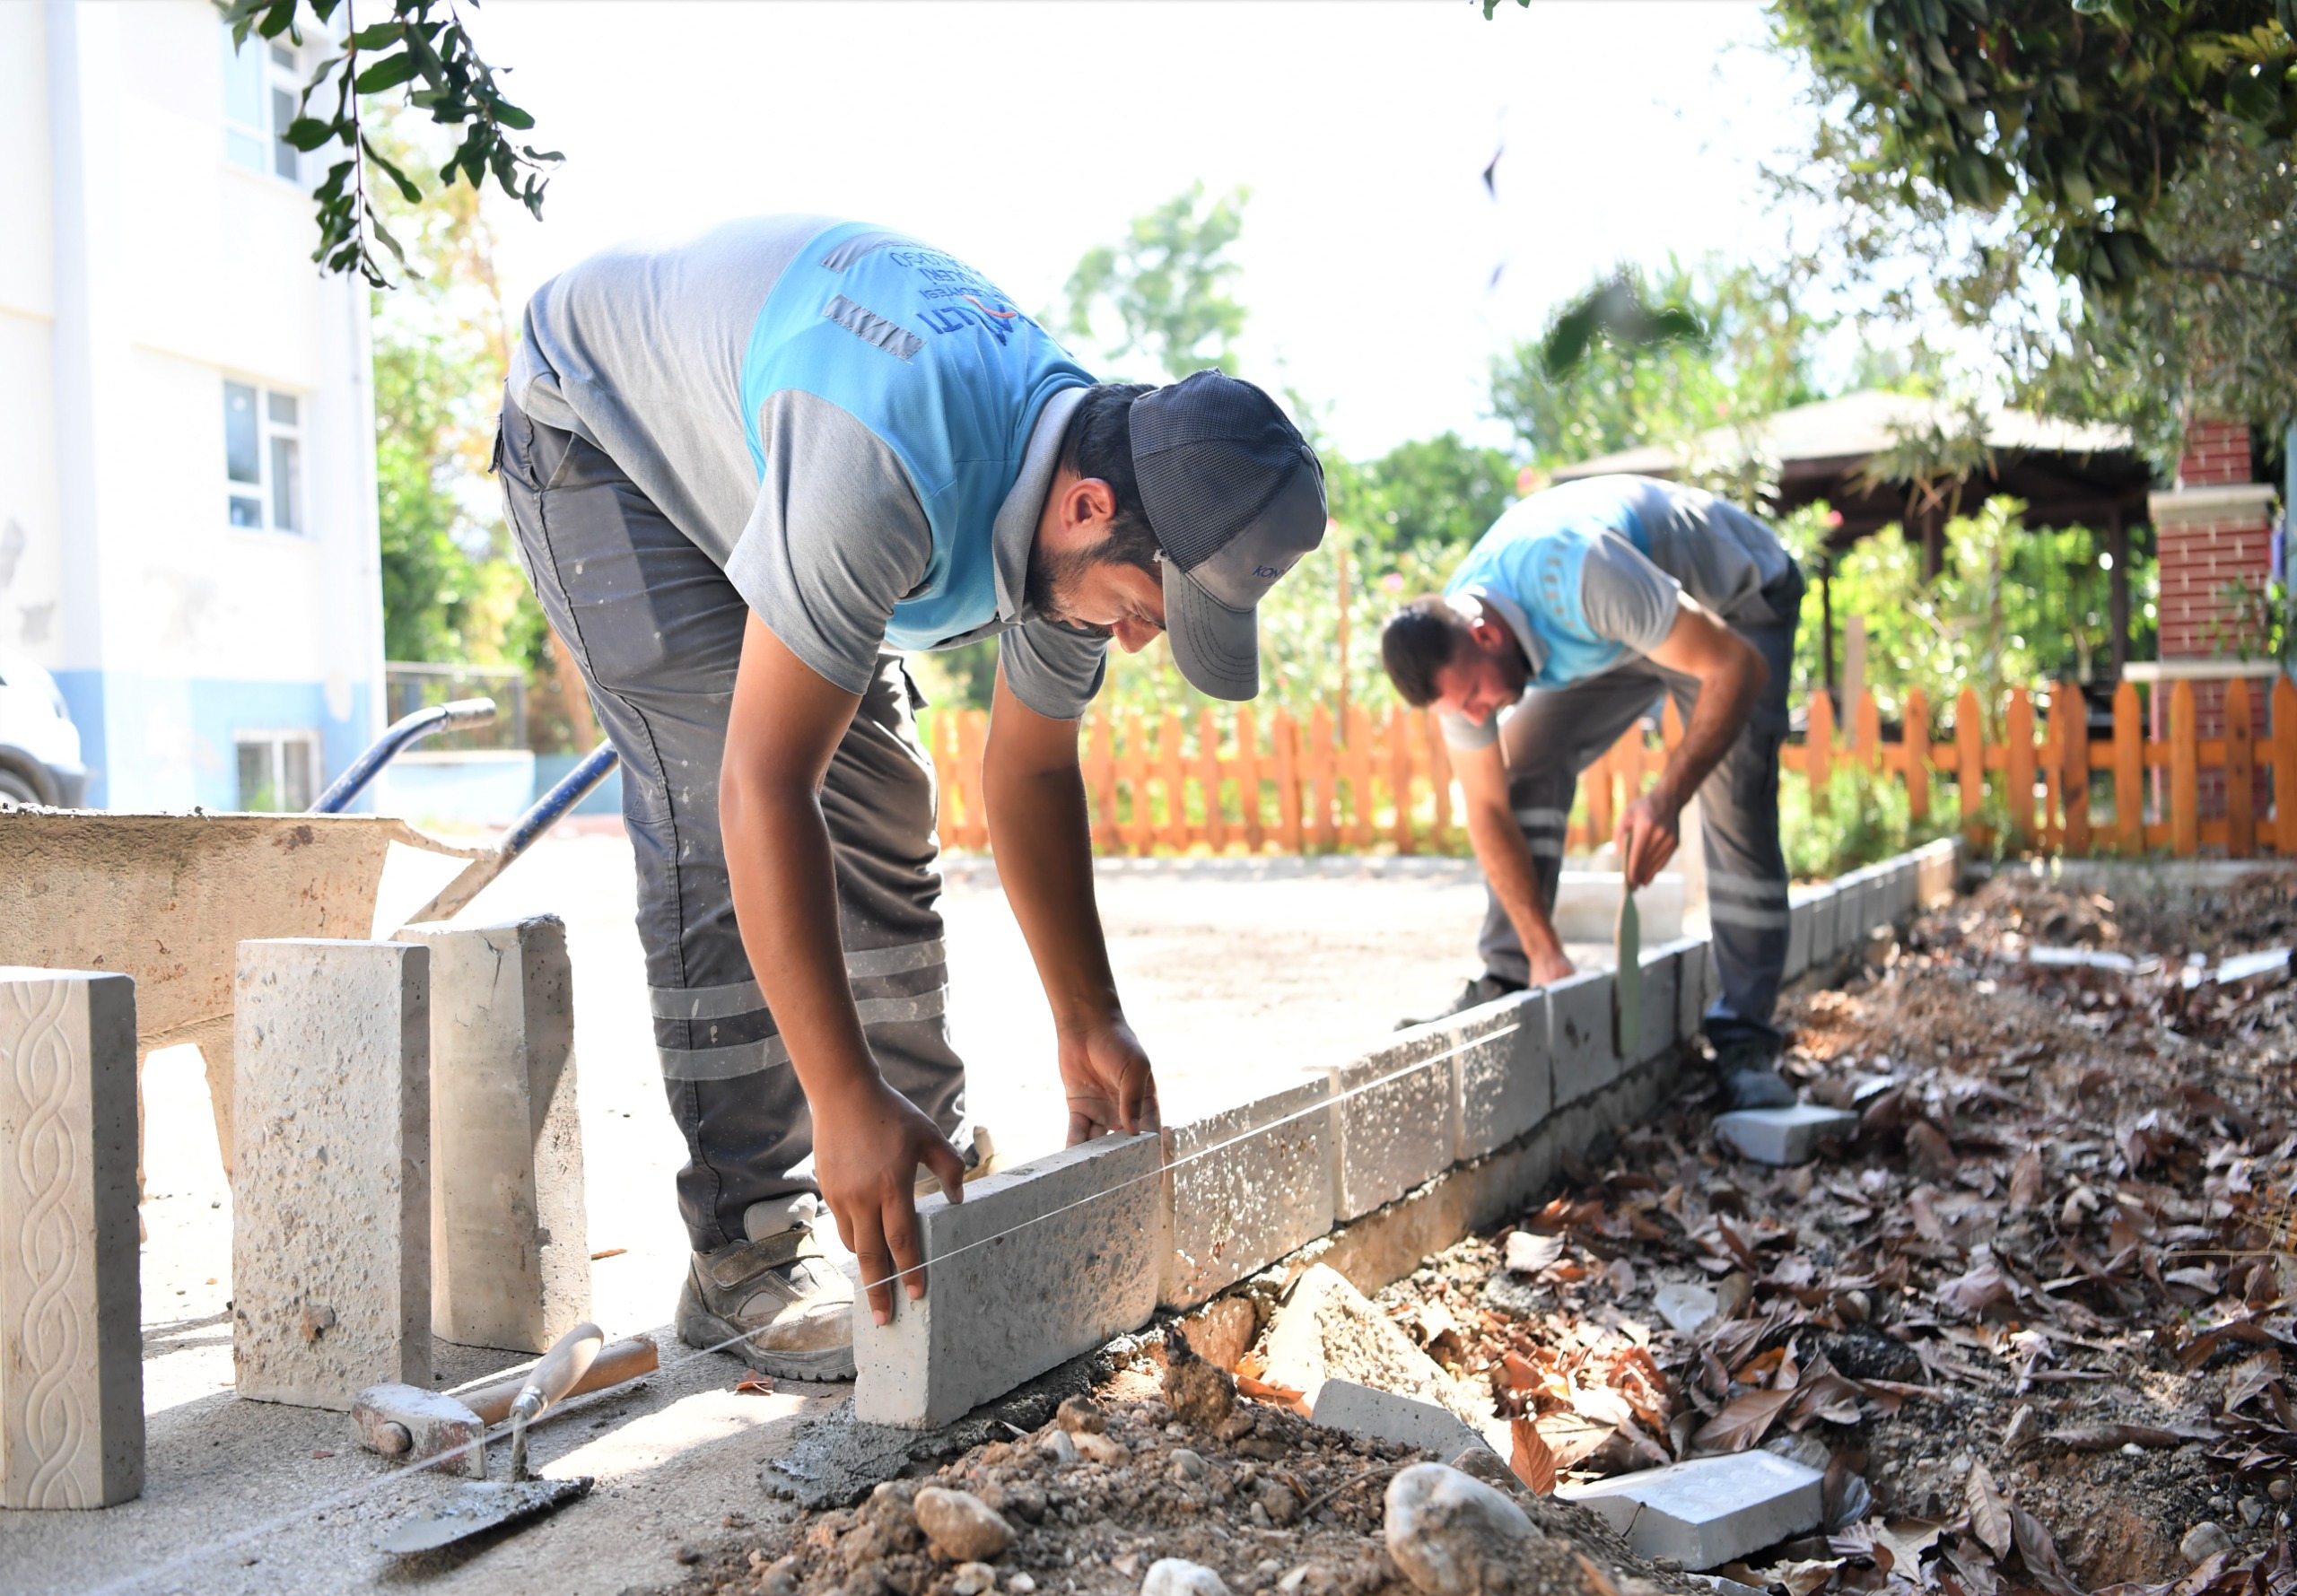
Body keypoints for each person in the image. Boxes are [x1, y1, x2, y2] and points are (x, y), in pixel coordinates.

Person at [496, 217, 1326, 1379]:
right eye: (1147, 605)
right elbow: (763, 784)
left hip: (786, 448)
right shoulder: (893, 460)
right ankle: (749, 1244)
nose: (1139, 640)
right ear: (1088, 507)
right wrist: (840, 1093)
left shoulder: (1101, 491)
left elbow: (1032, 769)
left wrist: (1089, 1014)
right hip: (608, 437)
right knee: (712, 795)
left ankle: (919, 1195)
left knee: (882, 795)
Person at [1378, 474, 1803, 1111]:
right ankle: (1512, 973)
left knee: (1732, 798)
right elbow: (1489, 811)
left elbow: (1734, 667)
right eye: (1459, 709)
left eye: (1474, 700)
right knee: (1521, 769)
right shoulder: (1452, 666)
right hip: (1629, 629)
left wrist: (1666, 798)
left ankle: (1745, 1037)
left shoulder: (1579, 573)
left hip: (1736, 601)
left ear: (1486, 635)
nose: (1475, 717)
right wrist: (1546, 950)